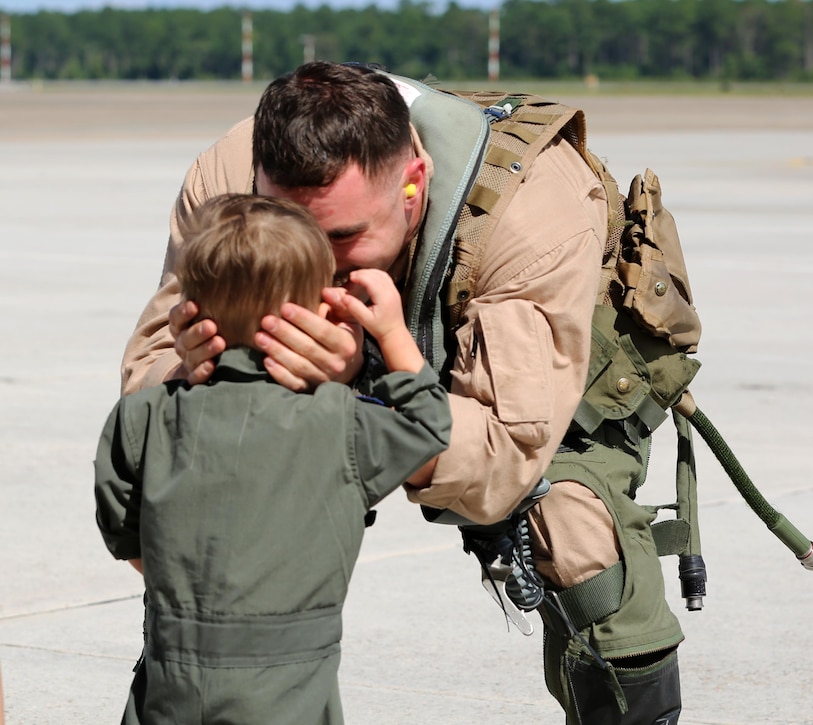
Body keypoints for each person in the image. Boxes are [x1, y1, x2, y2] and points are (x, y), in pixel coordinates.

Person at [121, 62, 684, 724]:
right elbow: (148, 378)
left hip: (507, 364)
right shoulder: (229, 178)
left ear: (412, 187)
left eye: (339, 237)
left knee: (576, 530)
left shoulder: (535, 209)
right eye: (285, 231)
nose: (312, 267)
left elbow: (501, 458)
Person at [96, 193, 451, 724]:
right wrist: (391, 330)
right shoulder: (341, 424)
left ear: (188, 312)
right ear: (318, 311)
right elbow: (427, 422)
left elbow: (126, 535)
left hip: (170, 684)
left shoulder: (141, 418)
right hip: (291, 692)